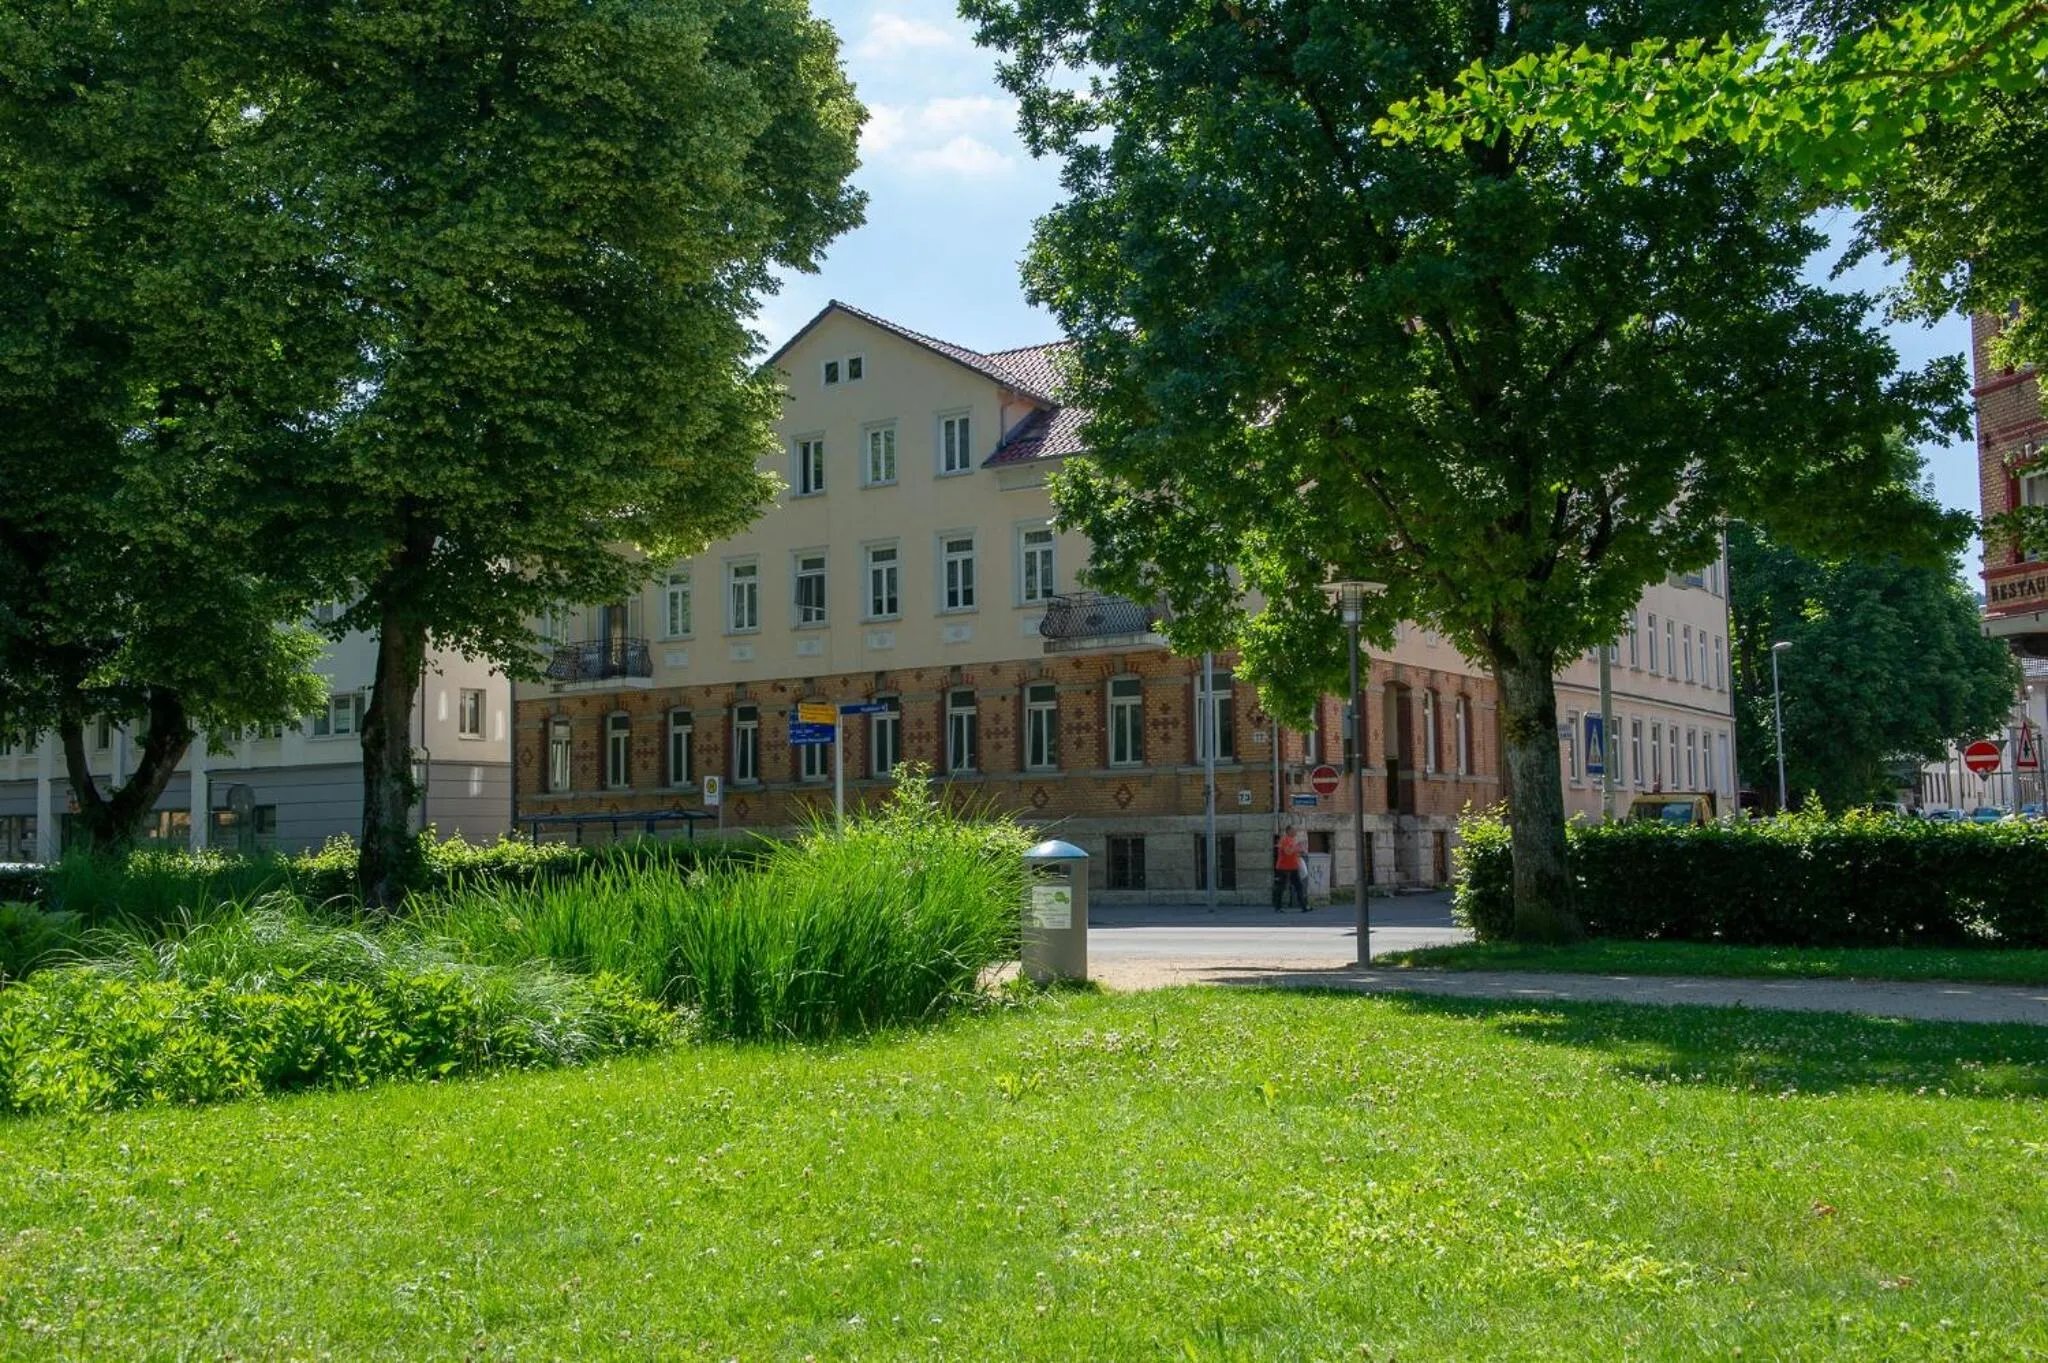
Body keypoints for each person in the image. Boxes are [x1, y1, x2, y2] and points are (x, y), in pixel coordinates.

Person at [1272, 826, 1308, 912]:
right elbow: (1287, 852)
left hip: (1293, 867)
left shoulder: (1292, 840)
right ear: (1288, 831)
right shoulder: (1284, 840)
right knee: (1281, 887)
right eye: (1293, 831)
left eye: (1295, 831)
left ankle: (1304, 907)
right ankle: (1278, 907)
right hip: (1283, 868)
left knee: (1299, 886)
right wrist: (1296, 847)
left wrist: (1300, 851)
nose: (1295, 832)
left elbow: (1293, 852)